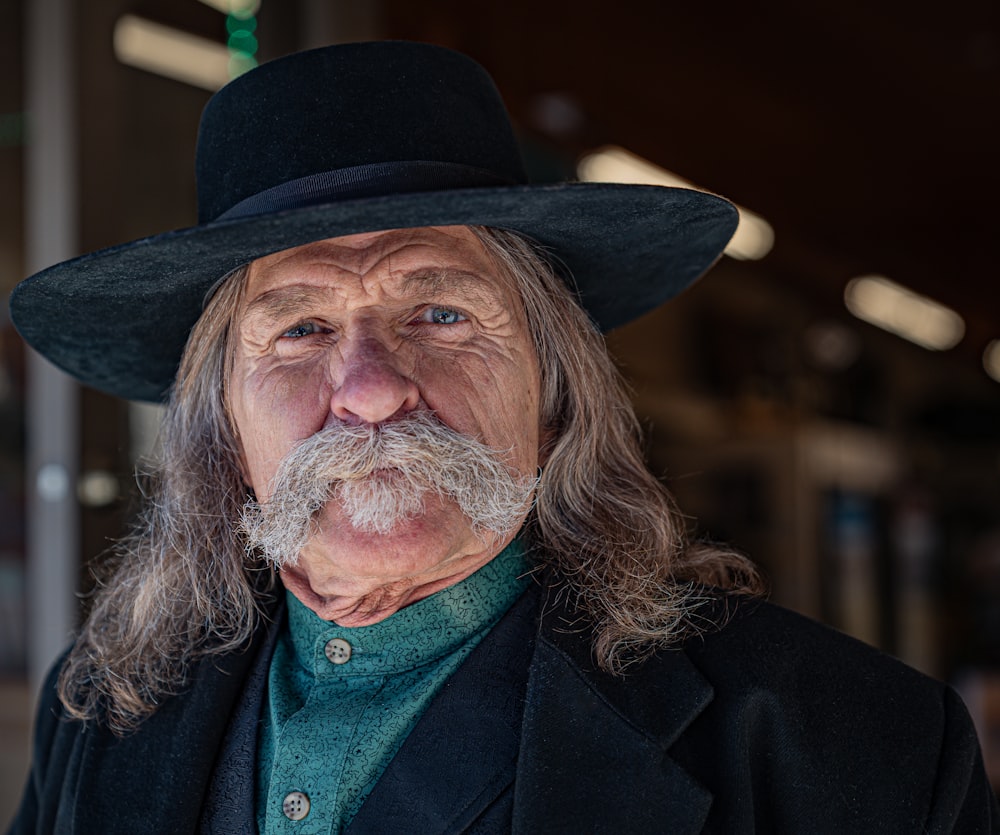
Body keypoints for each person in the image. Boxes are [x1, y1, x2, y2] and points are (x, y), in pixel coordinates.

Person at [6, 41, 996, 834]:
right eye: (300, 329)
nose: (370, 391)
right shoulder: (101, 707)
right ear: (221, 419)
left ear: (554, 389)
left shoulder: (851, 746)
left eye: (438, 313)